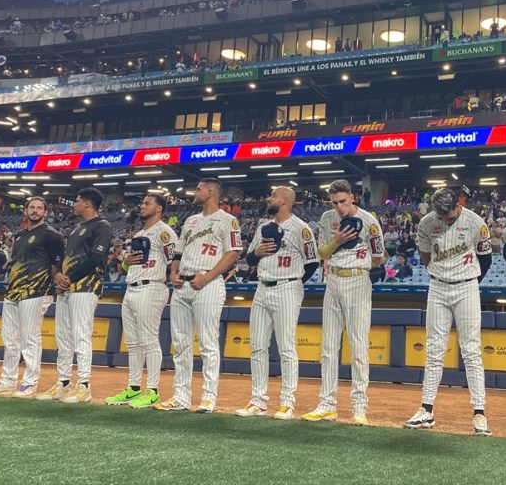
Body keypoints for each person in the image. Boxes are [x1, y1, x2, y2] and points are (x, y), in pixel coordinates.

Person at [404, 188, 493, 436]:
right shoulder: (426, 222)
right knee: (434, 349)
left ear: (458, 204)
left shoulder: (475, 222)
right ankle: (426, 409)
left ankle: (479, 413)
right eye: (440, 215)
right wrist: (442, 274)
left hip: (467, 287)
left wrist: (469, 280)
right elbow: (425, 256)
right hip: (438, 287)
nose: (444, 219)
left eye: (448, 215)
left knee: (471, 350)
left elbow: (485, 260)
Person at [154, 178, 241, 413]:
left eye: (199, 188)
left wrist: (209, 276)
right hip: (183, 284)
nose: (196, 192)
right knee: (181, 343)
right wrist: (173, 273)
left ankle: (208, 397)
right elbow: (178, 252)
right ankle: (181, 396)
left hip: (208, 284)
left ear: (211, 192)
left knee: (208, 343)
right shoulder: (191, 221)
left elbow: (233, 254)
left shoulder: (228, 220)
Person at [303, 180, 385, 425]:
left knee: (358, 346)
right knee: (328, 346)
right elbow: (321, 253)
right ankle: (327, 404)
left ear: (352, 197)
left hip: (358, 281)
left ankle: (359, 407)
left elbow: (379, 258)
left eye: (342, 201)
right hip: (333, 281)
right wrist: (338, 241)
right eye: (334, 202)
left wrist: (356, 263)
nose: (339, 207)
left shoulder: (369, 221)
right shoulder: (327, 218)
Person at [235, 187, 318, 420]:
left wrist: (293, 282)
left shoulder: (301, 228)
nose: (268, 198)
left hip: (287, 286)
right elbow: (249, 258)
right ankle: (258, 401)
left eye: (272, 195)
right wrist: (258, 252)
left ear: (283, 200)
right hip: (262, 287)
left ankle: (287, 403)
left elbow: (312, 263)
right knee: (257, 346)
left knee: (286, 347)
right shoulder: (262, 227)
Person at [0, 198, 64, 399]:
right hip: (14, 290)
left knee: (30, 337)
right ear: (25, 211)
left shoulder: (51, 235)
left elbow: (56, 267)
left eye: (39, 208)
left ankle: (29, 383)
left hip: (36, 291)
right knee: (9, 337)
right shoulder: (20, 235)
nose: (35, 211)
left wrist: (51, 288)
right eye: (32, 207)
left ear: (45, 211)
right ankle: (8, 381)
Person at [37, 188, 113, 403]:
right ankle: (62, 383)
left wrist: (69, 277)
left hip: (86, 286)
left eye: (77, 201)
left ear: (87, 204)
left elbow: (96, 257)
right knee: (63, 336)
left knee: (81, 335)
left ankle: (84, 385)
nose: (74, 204)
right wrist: (59, 275)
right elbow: (64, 257)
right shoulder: (76, 228)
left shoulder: (102, 226)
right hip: (66, 288)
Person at [104, 194, 178, 409]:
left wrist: (169, 276)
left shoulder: (164, 232)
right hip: (132, 287)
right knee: (133, 343)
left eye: (148, 203)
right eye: (142, 203)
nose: (142, 206)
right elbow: (128, 266)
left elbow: (175, 259)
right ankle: (133, 388)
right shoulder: (141, 232)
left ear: (159, 208)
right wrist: (125, 262)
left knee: (149, 340)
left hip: (152, 286)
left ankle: (152, 390)